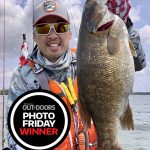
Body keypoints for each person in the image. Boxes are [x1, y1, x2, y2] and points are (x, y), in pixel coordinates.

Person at [7, 0, 97, 149]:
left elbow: (132, 63)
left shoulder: (88, 61)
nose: (53, 35)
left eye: (60, 27)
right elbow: (15, 137)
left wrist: (127, 24)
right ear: (34, 37)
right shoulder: (21, 78)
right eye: (43, 29)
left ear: (69, 34)